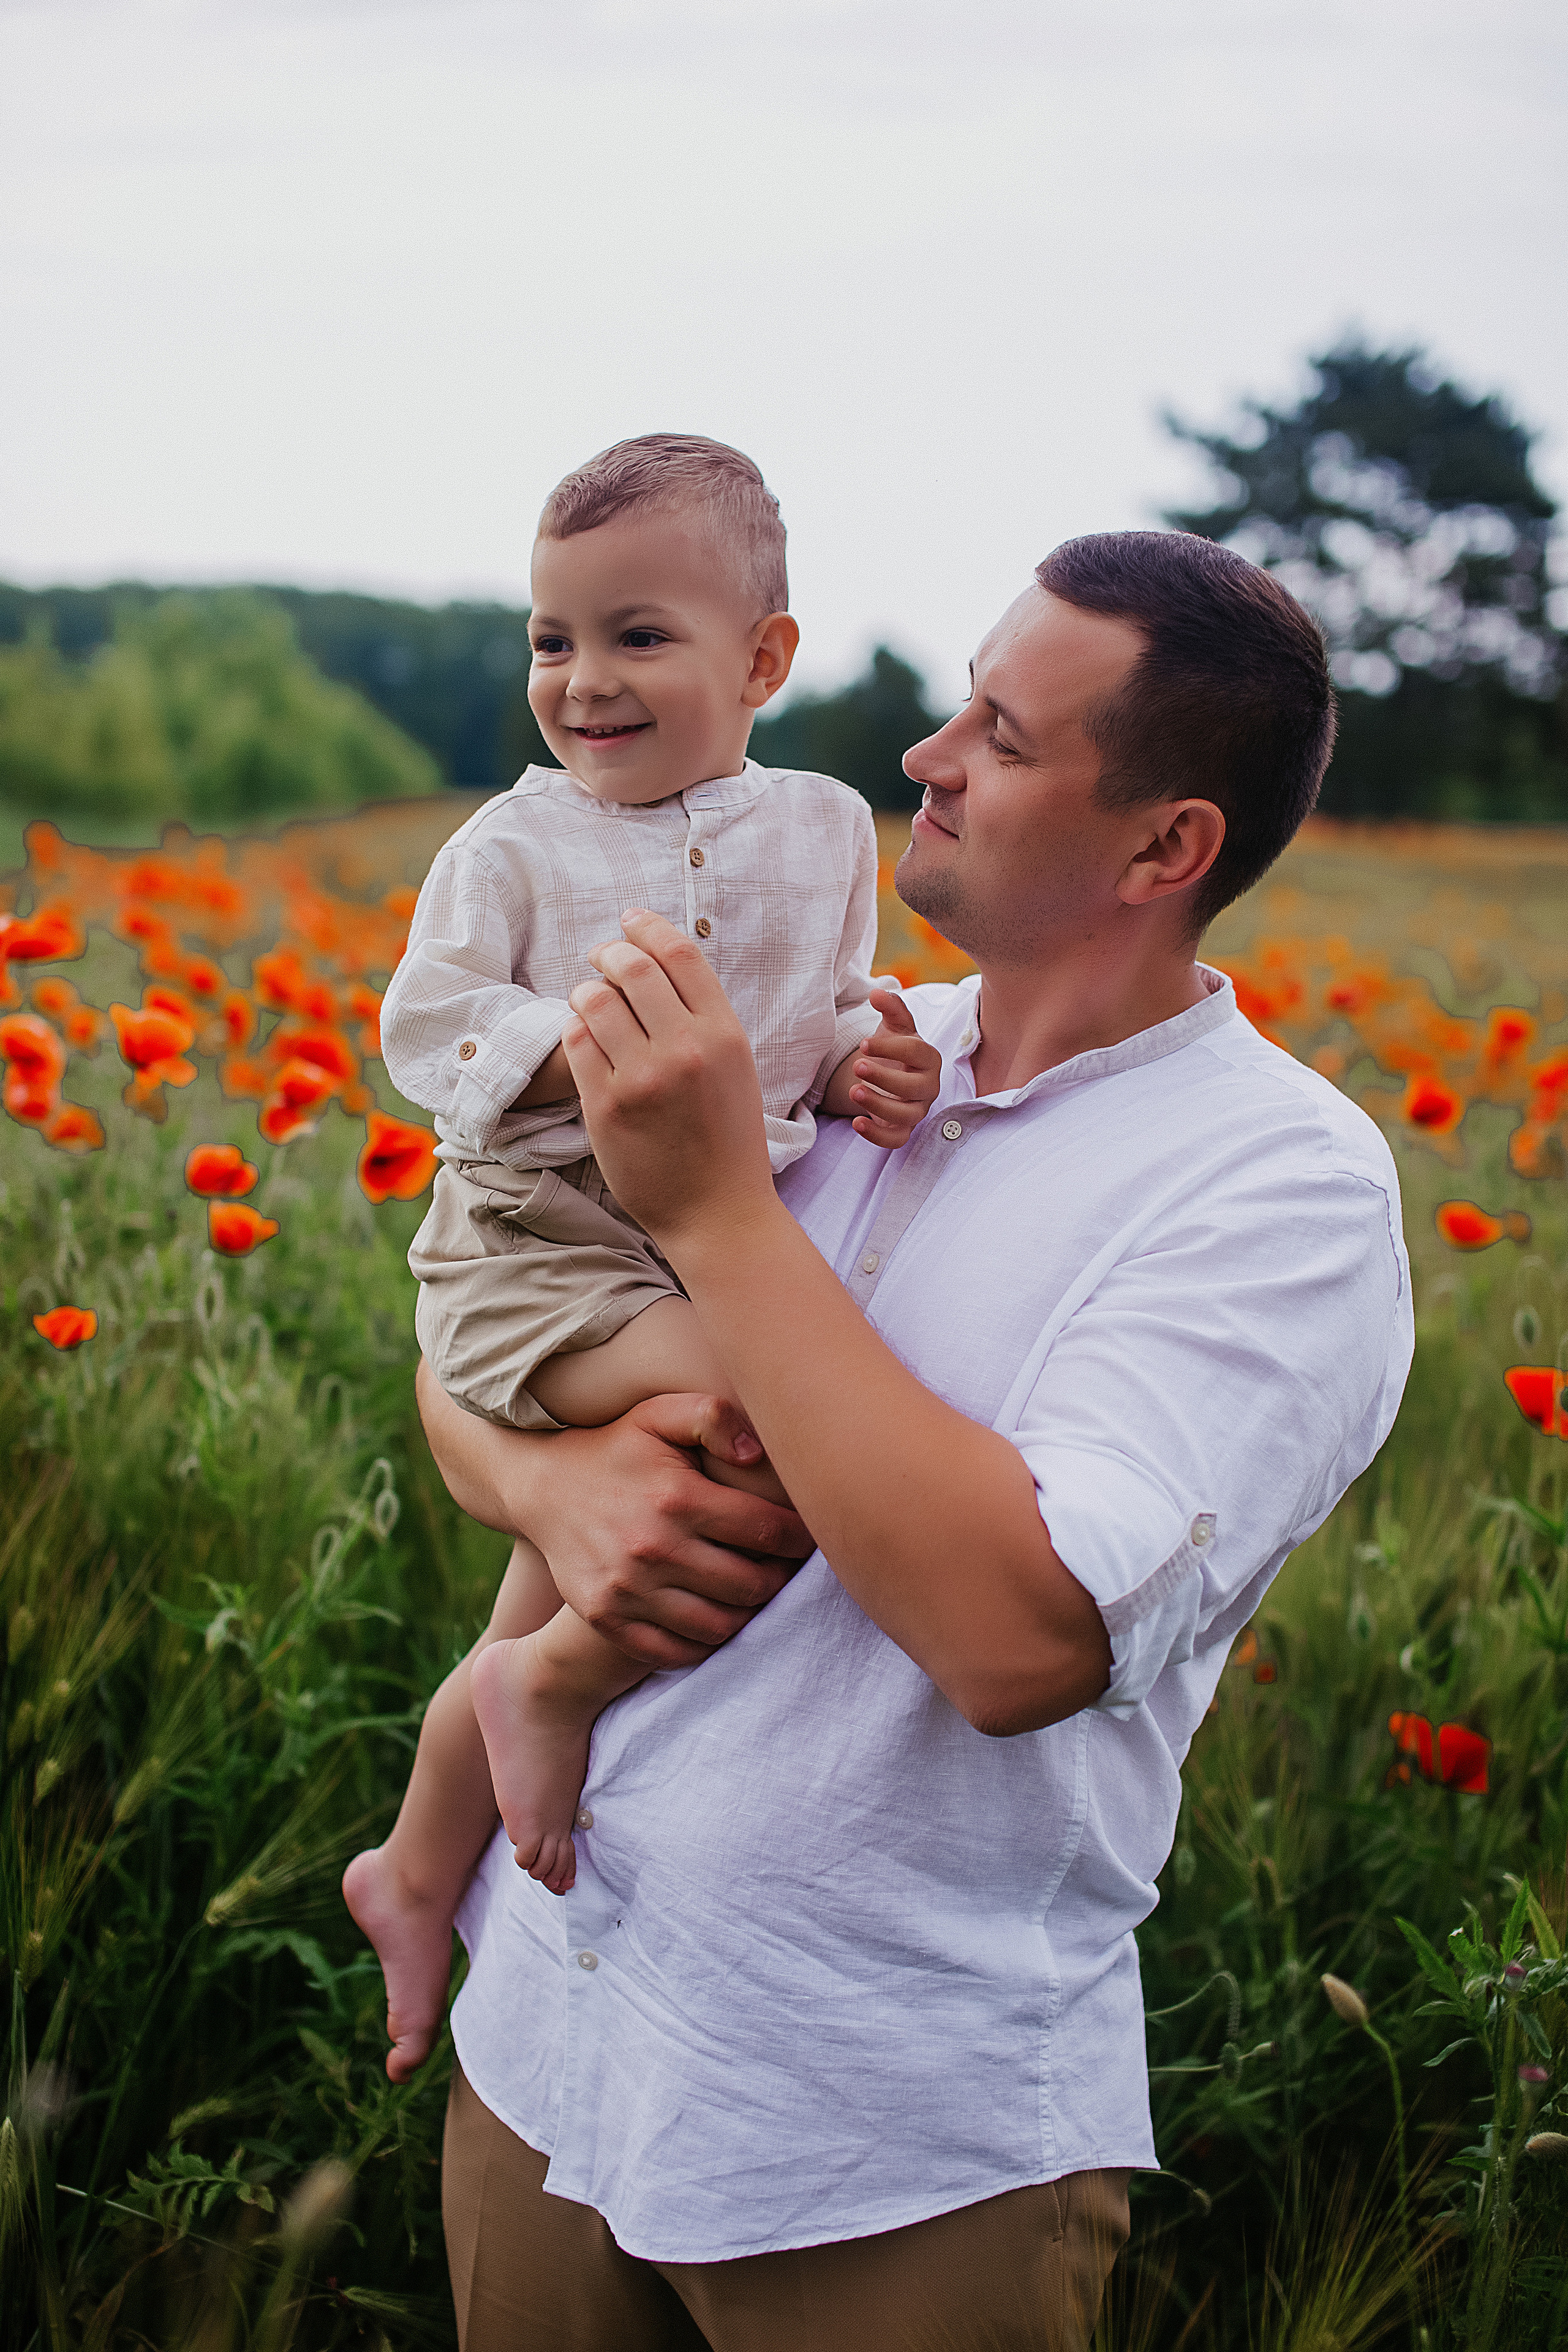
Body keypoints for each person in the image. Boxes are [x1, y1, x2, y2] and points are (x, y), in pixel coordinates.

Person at [417, 530, 1415, 2352]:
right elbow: (478, 1315)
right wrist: (550, 1480)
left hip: (876, 2135)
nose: (926, 756)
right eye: (960, 702)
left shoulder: (1283, 1187)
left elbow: (1020, 1636)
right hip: (555, 2028)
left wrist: (723, 1210)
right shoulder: (848, 1051)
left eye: (1003, 733)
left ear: (1164, 846)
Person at [344, 434, 943, 2081]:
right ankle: (552, 1690)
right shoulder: (513, 850)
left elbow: (813, 1025)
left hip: (685, 1248)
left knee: (594, 1533)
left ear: (764, 660)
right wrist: (579, 1052)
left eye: (636, 636)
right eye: (553, 638)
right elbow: (429, 1027)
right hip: (536, 1240)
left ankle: (413, 1863)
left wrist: (854, 1070)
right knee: (775, 1416)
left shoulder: (825, 830)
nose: (582, 681)